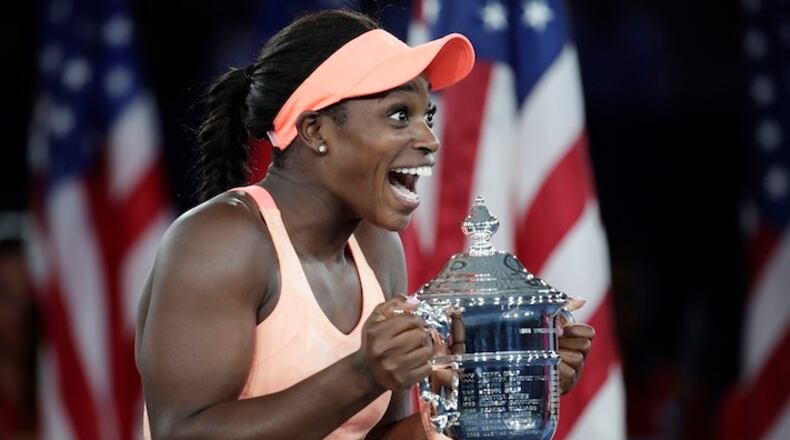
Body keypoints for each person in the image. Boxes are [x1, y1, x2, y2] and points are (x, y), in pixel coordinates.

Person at [135, 9, 596, 439]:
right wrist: (362, 374)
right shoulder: (222, 241)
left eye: (427, 116)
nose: (430, 140)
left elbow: (375, 435)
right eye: (400, 115)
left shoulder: (377, 247)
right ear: (316, 130)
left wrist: (506, 391)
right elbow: (181, 431)